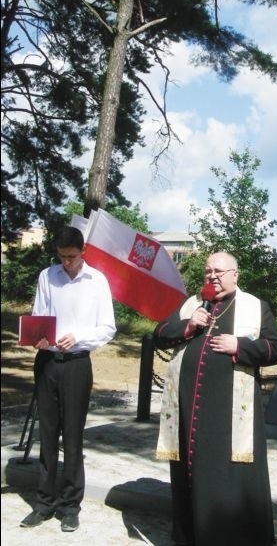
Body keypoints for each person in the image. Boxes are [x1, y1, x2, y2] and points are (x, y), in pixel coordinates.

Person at [154, 251, 277, 546]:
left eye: (219, 271)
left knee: (228, 478)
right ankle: (191, 536)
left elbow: (275, 349)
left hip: (229, 415)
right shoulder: (192, 304)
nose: (212, 275)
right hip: (188, 412)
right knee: (190, 473)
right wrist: (187, 326)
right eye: (208, 270)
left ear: (235, 275)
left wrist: (239, 345)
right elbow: (160, 333)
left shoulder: (254, 306)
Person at [20, 226, 116, 532]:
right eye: (62, 257)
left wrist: (79, 337)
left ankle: (70, 505)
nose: (67, 263)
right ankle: (44, 502)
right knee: (47, 434)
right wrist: (39, 337)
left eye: (72, 257)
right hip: (48, 362)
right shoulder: (48, 276)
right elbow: (40, 315)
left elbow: (107, 327)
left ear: (82, 251)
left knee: (72, 436)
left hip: (77, 363)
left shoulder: (97, 281)